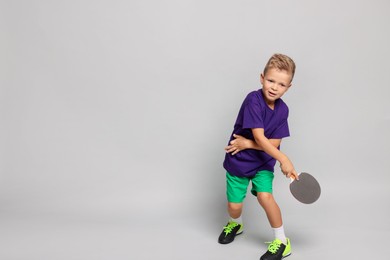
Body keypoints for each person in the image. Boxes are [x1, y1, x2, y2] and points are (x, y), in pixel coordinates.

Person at [218, 54, 299, 260]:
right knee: (234, 207)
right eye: (271, 80)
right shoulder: (253, 99)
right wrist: (284, 159)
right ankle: (235, 224)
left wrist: (249, 144)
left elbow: (274, 143)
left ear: (288, 87)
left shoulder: (283, 109)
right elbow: (261, 138)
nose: (274, 87)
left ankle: (281, 241)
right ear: (262, 78)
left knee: (265, 197)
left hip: (263, 162)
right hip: (239, 160)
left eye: (281, 84)